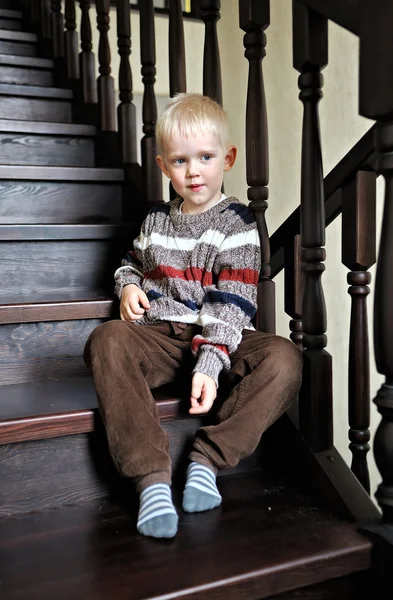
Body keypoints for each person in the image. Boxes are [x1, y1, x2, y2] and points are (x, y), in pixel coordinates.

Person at [84, 93, 302, 540]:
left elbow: (232, 304)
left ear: (228, 158)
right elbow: (131, 262)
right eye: (180, 161)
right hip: (162, 336)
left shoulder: (236, 223)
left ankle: (208, 459)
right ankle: (151, 480)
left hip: (222, 334)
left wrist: (210, 362)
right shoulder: (155, 221)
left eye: (205, 157)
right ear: (164, 167)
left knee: (285, 360)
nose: (194, 171)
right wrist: (127, 285)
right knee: (106, 339)